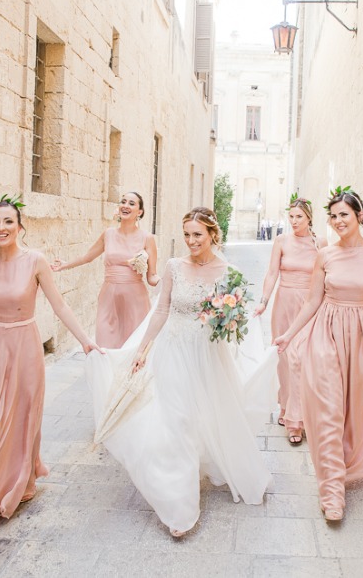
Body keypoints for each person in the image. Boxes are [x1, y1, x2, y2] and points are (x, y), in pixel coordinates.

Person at [84, 207, 277, 538]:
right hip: (172, 352)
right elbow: (161, 310)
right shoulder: (174, 267)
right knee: (178, 421)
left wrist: (227, 319)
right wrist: (143, 349)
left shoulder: (227, 272)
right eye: (187, 234)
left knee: (204, 417)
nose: (191, 241)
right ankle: (180, 506)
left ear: (212, 235)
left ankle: (198, 471)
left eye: (197, 235)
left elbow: (232, 319)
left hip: (206, 355)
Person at [0, 195, 101, 536]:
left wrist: (85, 341)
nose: (2, 228)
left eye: (9, 222)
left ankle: (22, 479)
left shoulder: (35, 261)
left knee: (20, 419)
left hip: (24, 348)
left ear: (19, 227)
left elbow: (59, 306)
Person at [274, 188, 363, 522]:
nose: (337, 222)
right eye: (332, 216)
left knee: (354, 408)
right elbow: (312, 301)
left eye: (343, 215)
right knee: (330, 409)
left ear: (360, 216)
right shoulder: (326, 255)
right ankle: (332, 491)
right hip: (326, 333)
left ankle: (349, 465)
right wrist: (290, 334)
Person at [254, 196, 326, 446]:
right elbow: (272, 272)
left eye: (299, 217)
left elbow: (326, 277)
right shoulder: (281, 241)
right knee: (285, 360)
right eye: (291, 217)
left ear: (309, 218)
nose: (294, 221)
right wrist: (263, 300)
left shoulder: (321, 244)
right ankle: (285, 407)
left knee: (300, 359)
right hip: (284, 304)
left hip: (308, 307)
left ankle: (296, 421)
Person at [52, 192, 159, 348]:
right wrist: (65, 264)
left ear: (140, 212)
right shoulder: (108, 234)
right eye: (123, 202)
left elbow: (152, 276)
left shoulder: (147, 238)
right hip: (109, 297)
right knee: (105, 342)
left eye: (131, 203)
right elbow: (87, 257)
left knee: (132, 346)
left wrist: (167, 281)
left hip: (135, 299)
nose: (125, 205)